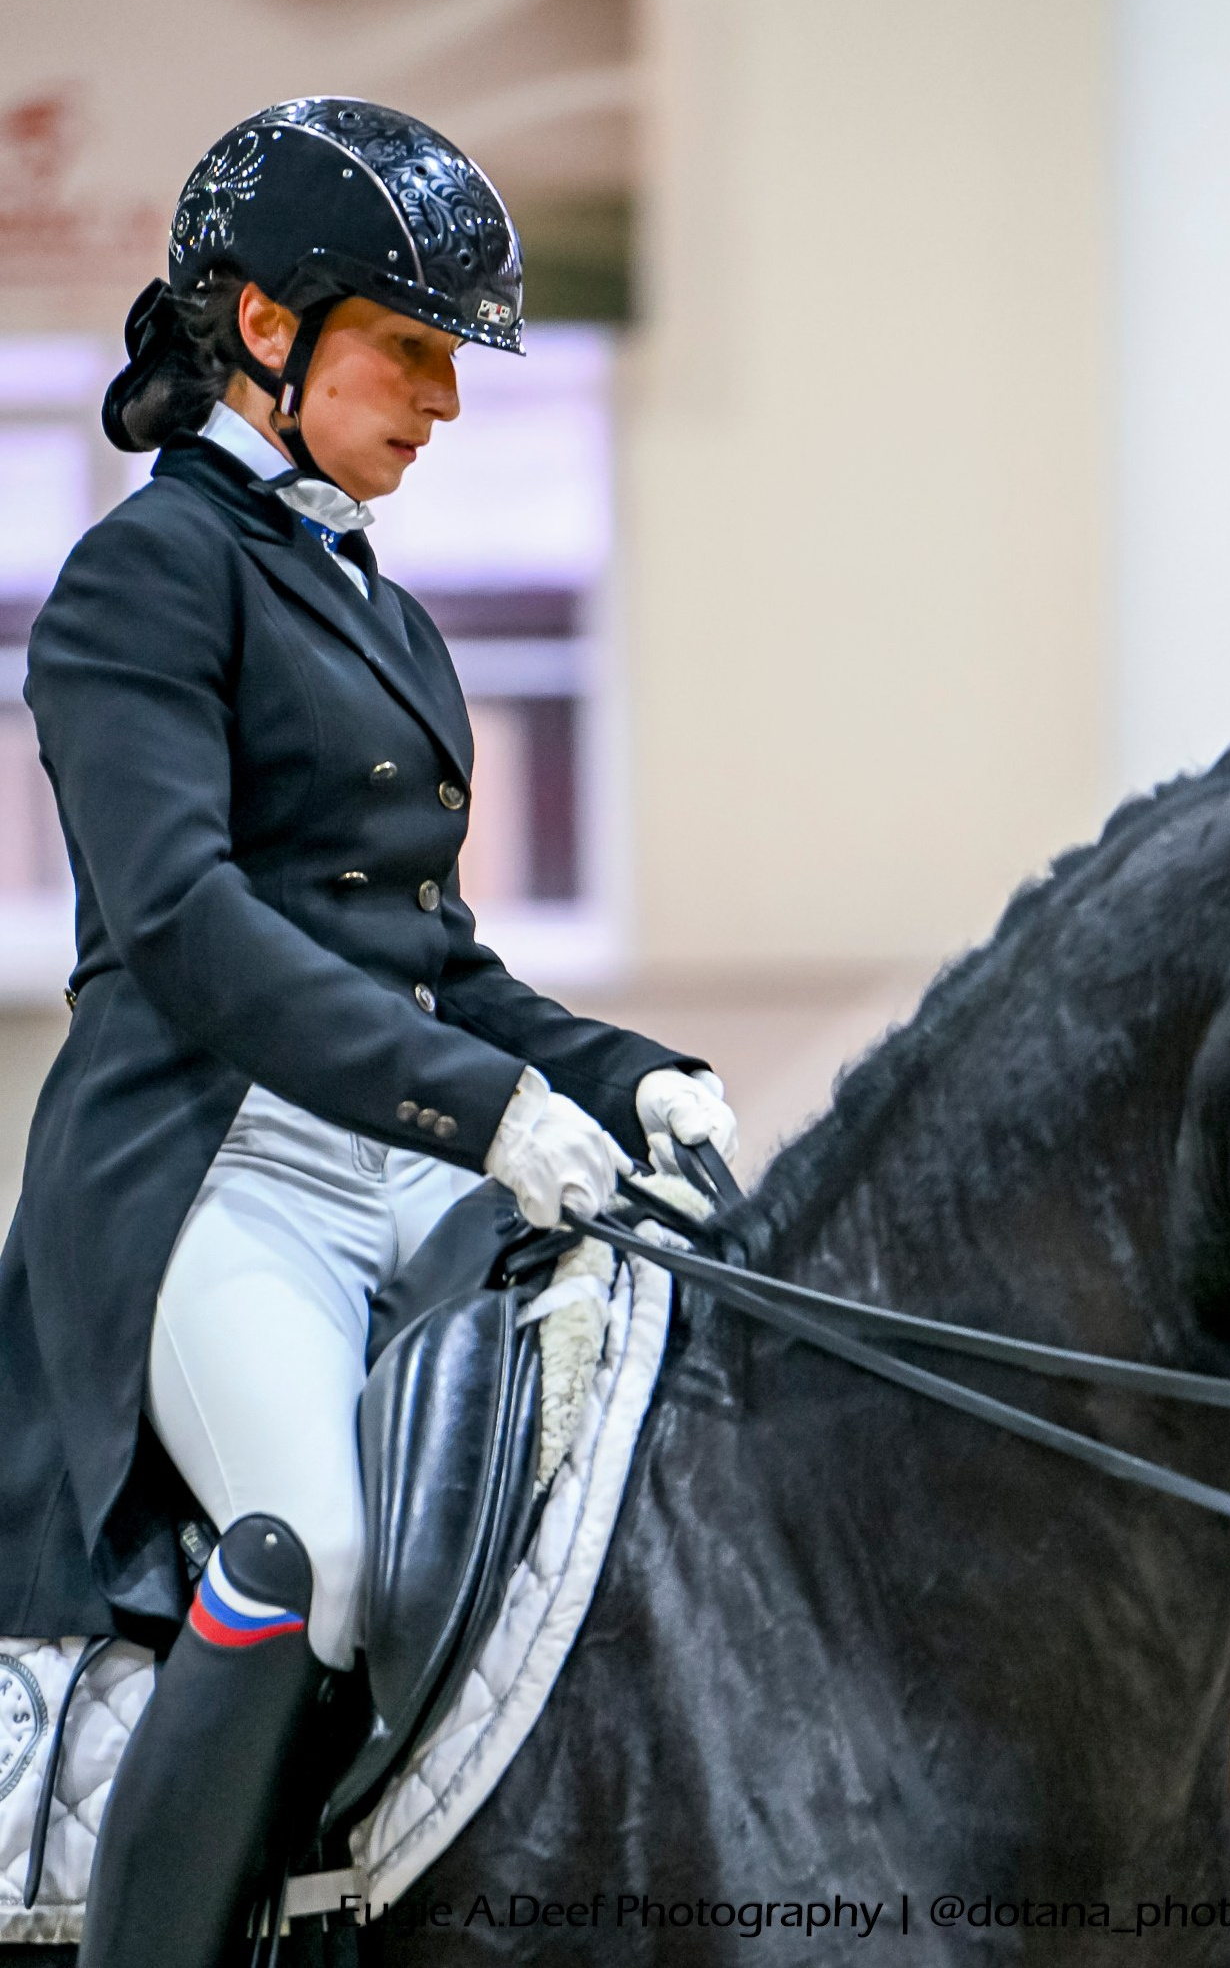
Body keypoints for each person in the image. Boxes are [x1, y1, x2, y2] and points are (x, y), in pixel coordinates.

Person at [0, 98, 734, 1966]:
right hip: (211, 1168)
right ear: (266, 325)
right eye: (410, 349)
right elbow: (186, 926)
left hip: (398, 1152)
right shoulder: (142, 577)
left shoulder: (381, 613)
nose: (446, 401)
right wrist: (483, 1107)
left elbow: (435, 960)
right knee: (316, 1551)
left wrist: (622, 1075)